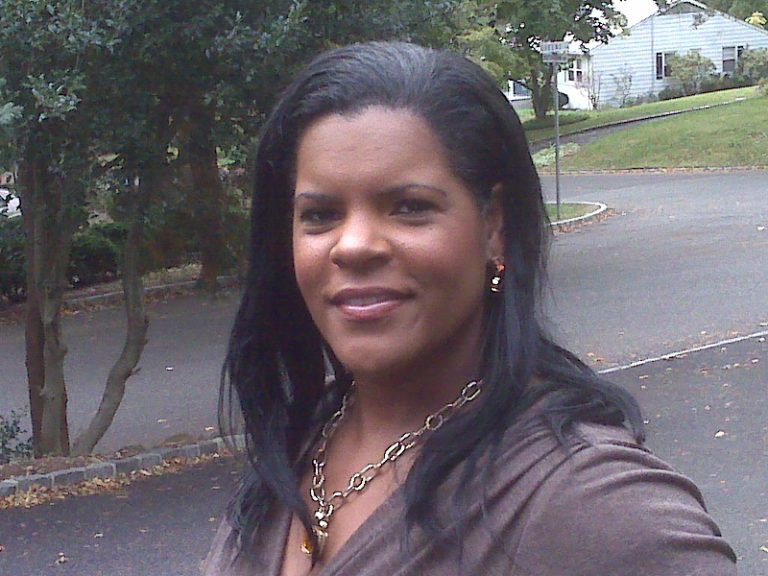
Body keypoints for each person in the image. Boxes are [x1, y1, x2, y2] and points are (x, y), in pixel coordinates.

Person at [204, 41, 736, 576]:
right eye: (319, 215)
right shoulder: (297, 449)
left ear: (495, 227)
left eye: (410, 207)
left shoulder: (594, 509)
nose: (353, 245)